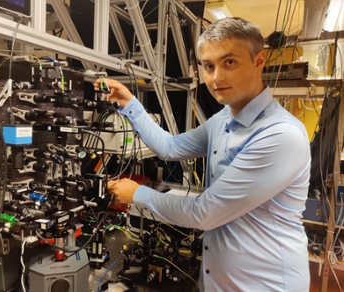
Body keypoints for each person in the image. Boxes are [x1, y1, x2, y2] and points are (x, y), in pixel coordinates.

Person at [95, 17, 311, 292]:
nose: (216, 77)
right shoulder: (222, 120)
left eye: (229, 62)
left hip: (265, 284)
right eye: (208, 66)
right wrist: (130, 104)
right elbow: (170, 148)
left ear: (259, 61)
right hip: (216, 279)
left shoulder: (280, 135)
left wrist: (137, 194)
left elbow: (205, 212)